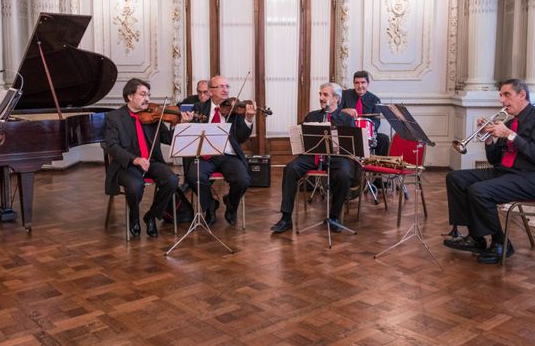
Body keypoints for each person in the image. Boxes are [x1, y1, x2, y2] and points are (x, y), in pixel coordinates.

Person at [444, 79, 535, 264]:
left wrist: (510, 135)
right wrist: (489, 139)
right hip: (507, 172)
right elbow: (494, 160)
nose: (502, 99)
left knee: (480, 191)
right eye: (500, 95)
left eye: (506, 94)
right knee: (456, 178)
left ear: (522, 95)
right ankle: (476, 238)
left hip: (534, 177)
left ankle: (501, 243)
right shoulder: (509, 122)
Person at [105, 78, 192, 238]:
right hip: (127, 164)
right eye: (143, 94)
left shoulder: (153, 115)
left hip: (151, 162)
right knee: (135, 186)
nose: (147, 99)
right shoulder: (114, 117)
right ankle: (134, 216)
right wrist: (135, 159)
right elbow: (112, 146)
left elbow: (168, 138)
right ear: (130, 96)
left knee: (172, 180)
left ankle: (152, 216)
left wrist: (183, 124)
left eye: (148, 95)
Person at [271, 82, 356, 233]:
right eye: (320, 94)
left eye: (325, 95)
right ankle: (286, 218)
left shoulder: (346, 119)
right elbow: (301, 138)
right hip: (313, 156)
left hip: (336, 157)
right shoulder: (312, 115)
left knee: (344, 174)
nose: (321, 97)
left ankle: (334, 216)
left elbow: (351, 146)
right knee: (290, 168)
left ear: (336, 98)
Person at [186, 75, 255, 226]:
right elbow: (191, 134)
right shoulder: (199, 108)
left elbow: (242, 137)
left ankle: (231, 204)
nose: (225, 90)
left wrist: (248, 119)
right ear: (210, 91)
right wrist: (187, 122)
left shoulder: (234, 109)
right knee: (193, 177)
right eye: (221, 87)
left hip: (229, 155)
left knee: (243, 180)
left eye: (227, 87)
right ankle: (210, 204)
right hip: (206, 155)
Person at [341, 70, 389, 156]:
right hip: (348, 132)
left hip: (367, 133)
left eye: (363, 82)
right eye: (357, 83)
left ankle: (379, 167)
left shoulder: (375, 100)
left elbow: (377, 122)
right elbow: (334, 112)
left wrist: (368, 130)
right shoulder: (344, 95)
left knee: (383, 139)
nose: (360, 86)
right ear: (353, 84)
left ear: (368, 83)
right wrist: (345, 110)